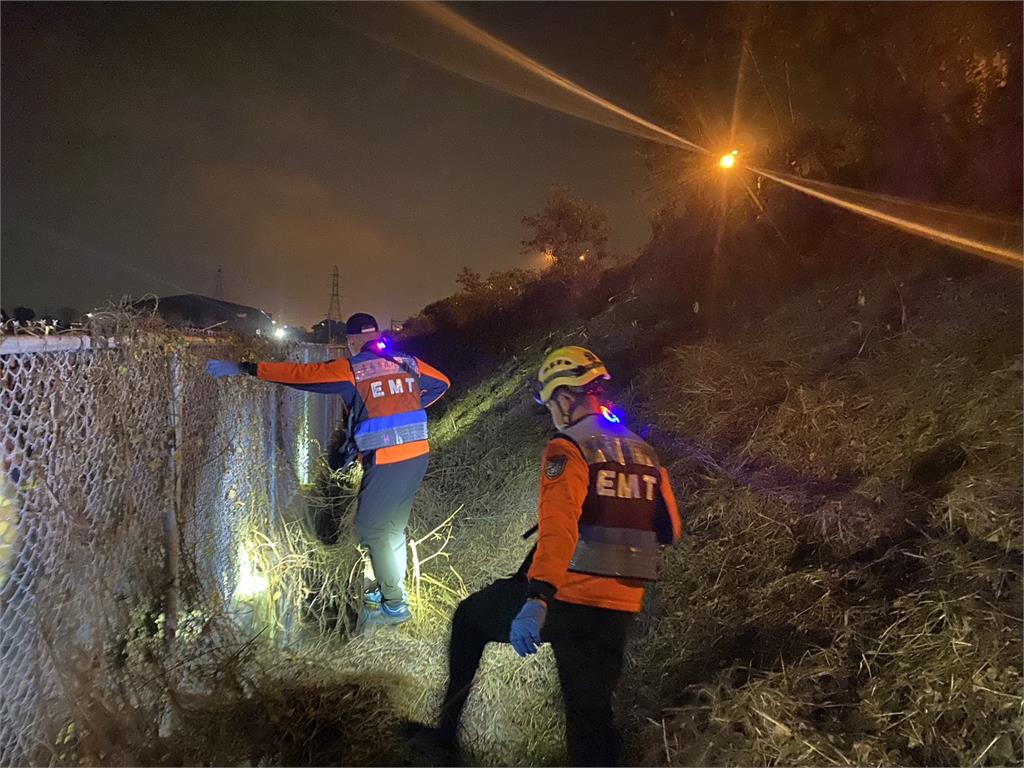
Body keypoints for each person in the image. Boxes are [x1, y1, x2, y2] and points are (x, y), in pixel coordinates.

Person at [421, 345, 682, 766]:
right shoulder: (642, 451)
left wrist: (537, 600)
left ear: (564, 397)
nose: (553, 414)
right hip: (623, 602)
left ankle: (444, 739)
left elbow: (560, 532)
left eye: (551, 403)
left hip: (570, 596)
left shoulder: (568, 447)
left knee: (469, 620)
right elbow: (670, 528)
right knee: (591, 714)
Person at [206, 312, 450, 625]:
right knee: (391, 528)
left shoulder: (352, 368)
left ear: (350, 341)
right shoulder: (408, 362)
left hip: (388, 459)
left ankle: (395, 604)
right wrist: (409, 403)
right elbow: (443, 383)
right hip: (417, 455)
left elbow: (300, 374)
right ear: (378, 334)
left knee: (371, 529)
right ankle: (389, 588)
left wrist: (245, 368)